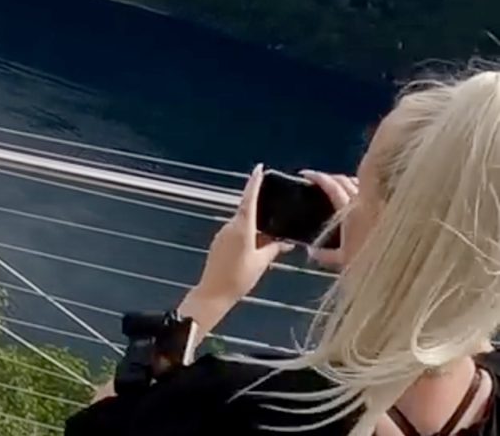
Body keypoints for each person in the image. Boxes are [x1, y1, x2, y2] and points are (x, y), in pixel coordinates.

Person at [66, 69, 500, 436]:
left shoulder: (247, 401)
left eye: (362, 189)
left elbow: (95, 426)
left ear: (393, 227)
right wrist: (383, 268)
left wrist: (210, 297)